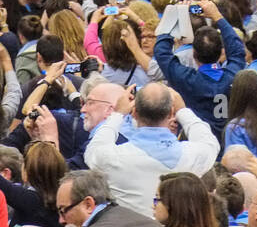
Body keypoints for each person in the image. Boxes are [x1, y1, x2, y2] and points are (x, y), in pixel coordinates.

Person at [84, 83, 218, 218]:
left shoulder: (114, 157)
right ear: (172, 113)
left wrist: (118, 114)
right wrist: (183, 111)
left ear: (134, 113)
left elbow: (93, 150)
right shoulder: (192, 155)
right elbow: (209, 142)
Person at [152, 0, 245, 136]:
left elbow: (162, 53)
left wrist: (172, 19)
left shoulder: (187, 79)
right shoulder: (234, 76)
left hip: (198, 145)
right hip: (230, 144)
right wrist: (217, 16)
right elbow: (237, 50)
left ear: (194, 54)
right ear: (221, 52)